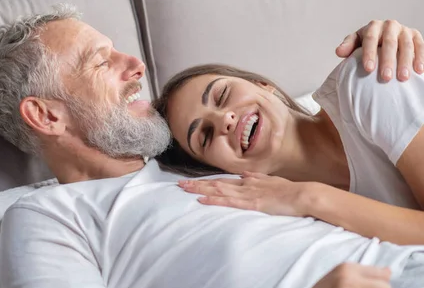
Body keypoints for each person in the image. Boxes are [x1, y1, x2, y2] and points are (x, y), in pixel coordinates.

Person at [0, 5, 424, 288]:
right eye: (100, 62)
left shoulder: (202, 165)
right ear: (46, 116)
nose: (136, 66)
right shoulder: (50, 216)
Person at [153, 19, 424, 248]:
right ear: (218, 169)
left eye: (222, 94)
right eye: (205, 136)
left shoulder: (366, 82)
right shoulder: (280, 219)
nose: (225, 119)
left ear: (263, 84)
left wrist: (309, 198)